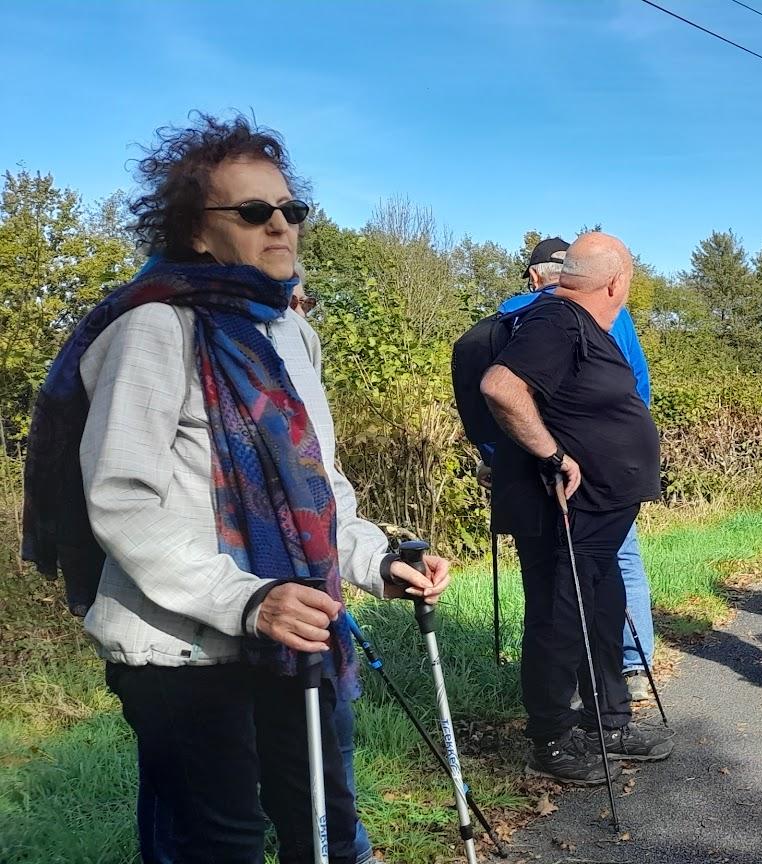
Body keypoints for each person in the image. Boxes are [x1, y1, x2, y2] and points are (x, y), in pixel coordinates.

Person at [20, 114, 450, 864]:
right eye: (253, 212)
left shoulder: (289, 332)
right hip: (184, 653)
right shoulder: (151, 329)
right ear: (194, 231)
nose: (280, 225)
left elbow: (320, 486)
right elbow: (122, 499)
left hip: (297, 636)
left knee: (324, 827)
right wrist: (247, 600)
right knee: (219, 846)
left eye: (291, 210)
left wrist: (375, 559)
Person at [481, 231, 673, 783]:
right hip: (568, 506)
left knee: (603, 605)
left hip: (601, 512)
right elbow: (501, 387)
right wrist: (555, 454)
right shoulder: (556, 321)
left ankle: (607, 721)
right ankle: (551, 739)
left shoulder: (584, 325)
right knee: (561, 614)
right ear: (616, 281)